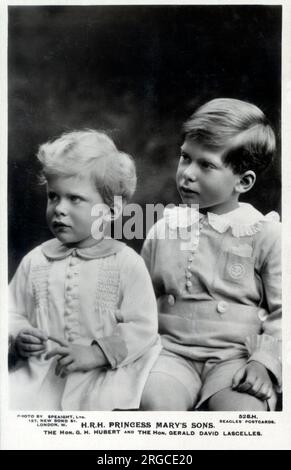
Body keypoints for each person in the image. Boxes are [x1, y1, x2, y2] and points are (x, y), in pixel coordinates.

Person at [140, 98, 281, 411]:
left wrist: (264, 363)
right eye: (185, 157)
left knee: (243, 413)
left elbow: (284, 313)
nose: (187, 173)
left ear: (243, 182)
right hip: (171, 352)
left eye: (206, 165)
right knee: (153, 404)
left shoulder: (265, 234)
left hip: (238, 358)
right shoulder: (163, 229)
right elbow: (141, 301)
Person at [9, 129, 161, 410]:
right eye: (53, 197)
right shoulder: (35, 261)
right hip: (41, 376)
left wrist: (96, 353)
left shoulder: (126, 263)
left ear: (112, 209)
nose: (59, 209)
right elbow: (10, 311)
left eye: (75, 199)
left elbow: (143, 326)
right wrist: (18, 335)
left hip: (102, 376)